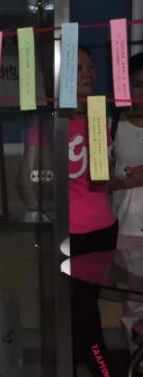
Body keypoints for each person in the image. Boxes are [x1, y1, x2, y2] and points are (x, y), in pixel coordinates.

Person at [19, 47, 116, 377]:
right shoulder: (49, 124)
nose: (89, 74)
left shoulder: (98, 116)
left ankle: (102, 371)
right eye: (79, 68)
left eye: (91, 67)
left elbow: (102, 179)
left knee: (82, 315)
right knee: (75, 315)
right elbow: (28, 185)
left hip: (98, 231)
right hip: (67, 234)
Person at [109, 52, 143, 353]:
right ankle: (137, 361)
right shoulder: (112, 125)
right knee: (133, 301)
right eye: (137, 84)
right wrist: (124, 182)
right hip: (126, 225)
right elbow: (98, 179)